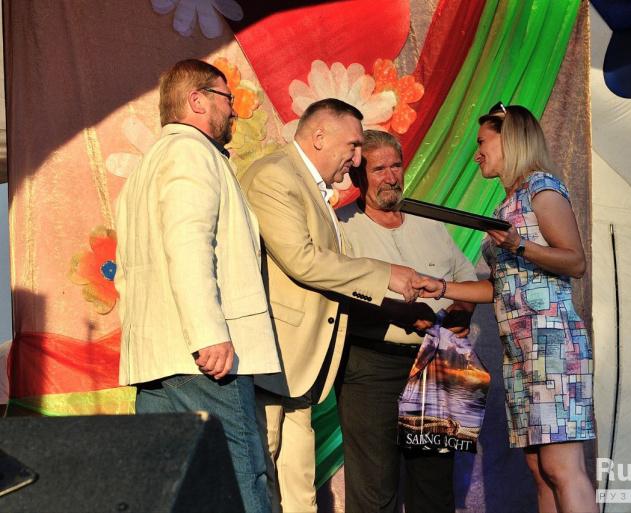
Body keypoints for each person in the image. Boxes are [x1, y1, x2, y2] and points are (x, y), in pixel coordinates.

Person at [238, 99, 422, 513]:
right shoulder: (274, 175)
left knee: (299, 487)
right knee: (260, 475)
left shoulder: (308, 183)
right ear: (319, 137)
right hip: (274, 358)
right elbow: (302, 260)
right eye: (353, 146)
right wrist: (384, 275)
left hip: (300, 367)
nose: (356, 159)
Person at [114, 59, 280, 513]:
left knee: (175, 493)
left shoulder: (147, 167)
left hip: (159, 358)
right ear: (197, 100)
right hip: (200, 358)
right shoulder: (190, 152)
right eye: (227, 98)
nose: (235, 110)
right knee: (238, 481)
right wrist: (208, 331)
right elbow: (188, 242)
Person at [418, 104, 597, 513]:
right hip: (520, 352)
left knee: (562, 466)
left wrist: (519, 244)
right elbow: (501, 286)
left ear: (510, 139)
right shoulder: (507, 205)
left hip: (552, 345)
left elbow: (575, 261)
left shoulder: (541, 188)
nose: (476, 154)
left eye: (483, 142)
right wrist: (441, 287)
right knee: (539, 469)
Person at [336, 130, 477, 513]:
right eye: (378, 169)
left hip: (438, 362)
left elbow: (466, 281)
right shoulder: (342, 227)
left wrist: (462, 311)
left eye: (396, 166)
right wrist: (397, 313)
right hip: (371, 367)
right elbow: (335, 296)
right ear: (358, 175)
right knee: (374, 487)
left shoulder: (430, 223)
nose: (391, 177)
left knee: (434, 484)